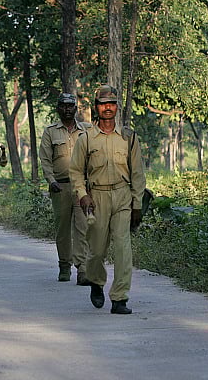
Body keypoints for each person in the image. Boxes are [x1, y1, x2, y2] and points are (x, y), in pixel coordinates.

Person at [69, 85, 146, 315]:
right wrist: (82, 195)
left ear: (117, 107)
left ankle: (120, 298)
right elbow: (75, 172)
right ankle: (96, 281)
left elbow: (137, 174)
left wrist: (137, 204)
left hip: (123, 196)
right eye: (103, 104)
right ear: (96, 108)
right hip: (97, 197)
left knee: (123, 248)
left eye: (111, 104)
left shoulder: (128, 138)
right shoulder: (87, 138)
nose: (108, 108)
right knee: (97, 251)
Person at [39, 93, 92, 285]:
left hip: (82, 188)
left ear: (76, 109)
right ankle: (64, 265)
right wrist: (51, 180)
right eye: (63, 106)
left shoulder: (86, 131)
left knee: (83, 227)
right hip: (60, 186)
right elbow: (45, 159)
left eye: (71, 106)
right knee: (62, 229)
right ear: (58, 108)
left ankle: (83, 269)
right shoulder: (50, 132)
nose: (67, 109)